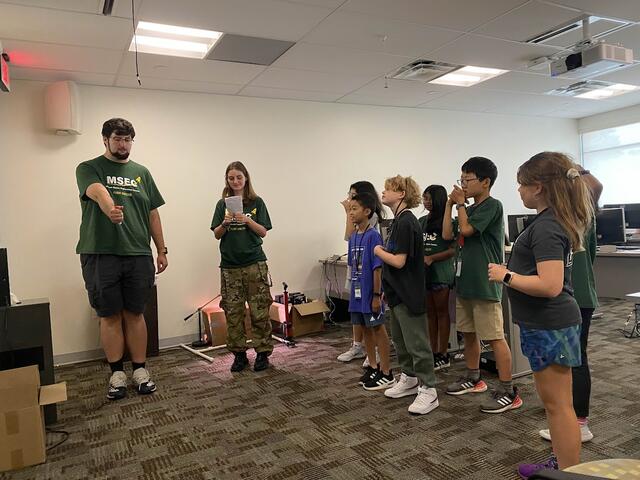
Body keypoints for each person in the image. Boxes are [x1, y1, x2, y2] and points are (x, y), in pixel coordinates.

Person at [487, 152, 594, 477]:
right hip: (548, 325)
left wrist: (505, 275)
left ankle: (568, 471)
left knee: (558, 406)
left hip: (551, 325)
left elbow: (549, 285)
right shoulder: (552, 220)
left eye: (522, 185)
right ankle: (564, 463)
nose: (518, 191)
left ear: (539, 188)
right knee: (557, 405)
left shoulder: (547, 226)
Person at [76, 118, 167, 400]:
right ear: (105, 139)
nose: (122, 144)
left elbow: (152, 212)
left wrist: (162, 249)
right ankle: (116, 373)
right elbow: (96, 191)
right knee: (109, 314)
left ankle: (140, 370)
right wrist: (109, 209)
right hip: (101, 253)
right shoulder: (89, 167)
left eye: (127, 140)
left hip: (138, 253)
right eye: (117, 139)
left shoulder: (142, 172)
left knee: (136, 313)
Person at [443, 156, 521, 413]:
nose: (463, 184)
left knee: (495, 337)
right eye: (461, 179)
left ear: (486, 182)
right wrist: (449, 205)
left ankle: (509, 389)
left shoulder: (492, 206)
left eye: (468, 179)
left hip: (485, 282)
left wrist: (461, 205)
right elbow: (447, 234)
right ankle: (473, 377)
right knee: (468, 333)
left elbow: (466, 231)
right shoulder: (468, 208)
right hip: (464, 281)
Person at [538, 168, 603, 443]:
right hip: (577, 295)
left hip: (575, 297)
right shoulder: (579, 218)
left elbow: (595, 186)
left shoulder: (572, 218)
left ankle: (579, 422)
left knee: (576, 359)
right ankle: (569, 417)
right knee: (568, 360)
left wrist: (576, 172)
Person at [375, 175, 438, 415]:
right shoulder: (398, 221)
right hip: (397, 292)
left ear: (401, 194)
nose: (383, 192)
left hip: (408, 292)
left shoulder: (406, 223)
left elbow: (399, 262)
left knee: (416, 343)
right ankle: (410, 378)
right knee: (401, 341)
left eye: (388, 189)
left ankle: (429, 390)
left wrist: (378, 250)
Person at [211, 162, 274, 373]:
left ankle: (262, 352)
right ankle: (239, 355)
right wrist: (225, 224)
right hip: (230, 266)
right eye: (231, 178)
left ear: (246, 178)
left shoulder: (257, 202)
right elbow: (217, 234)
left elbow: (263, 231)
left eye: (239, 177)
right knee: (233, 312)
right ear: (227, 180)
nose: (235, 181)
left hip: (254, 264)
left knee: (259, 311)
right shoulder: (222, 205)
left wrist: (247, 220)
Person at [346, 193, 393, 390]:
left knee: (377, 328)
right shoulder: (353, 237)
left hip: (370, 293)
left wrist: (376, 295)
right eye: (349, 209)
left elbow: (377, 268)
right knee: (365, 329)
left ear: (367, 211)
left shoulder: (373, 235)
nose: (351, 213)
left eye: (354, 209)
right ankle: (373, 366)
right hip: (357, 293)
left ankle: (386, 371)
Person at [338, 181, 386, 368]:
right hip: (357, 278)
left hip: (369, 282)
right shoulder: (356, 234)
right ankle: (364, 352)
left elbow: (377, 266)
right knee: (360, 319)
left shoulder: (372, 231)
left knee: (374, 323)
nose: (349, 202)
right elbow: (349, 236)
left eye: (353, 200)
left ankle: (378, 359)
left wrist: (376, 294)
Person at [419, 185, 456, 371]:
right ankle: (433, 351)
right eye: (424, 198)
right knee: (430, 314)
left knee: (442, 313)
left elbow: (453, 250)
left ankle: (443, 353)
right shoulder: (421, 221)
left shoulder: (447, 221)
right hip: (425, 274)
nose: (426, 202)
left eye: (429, 198)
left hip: (441, 273)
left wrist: (432, 258)